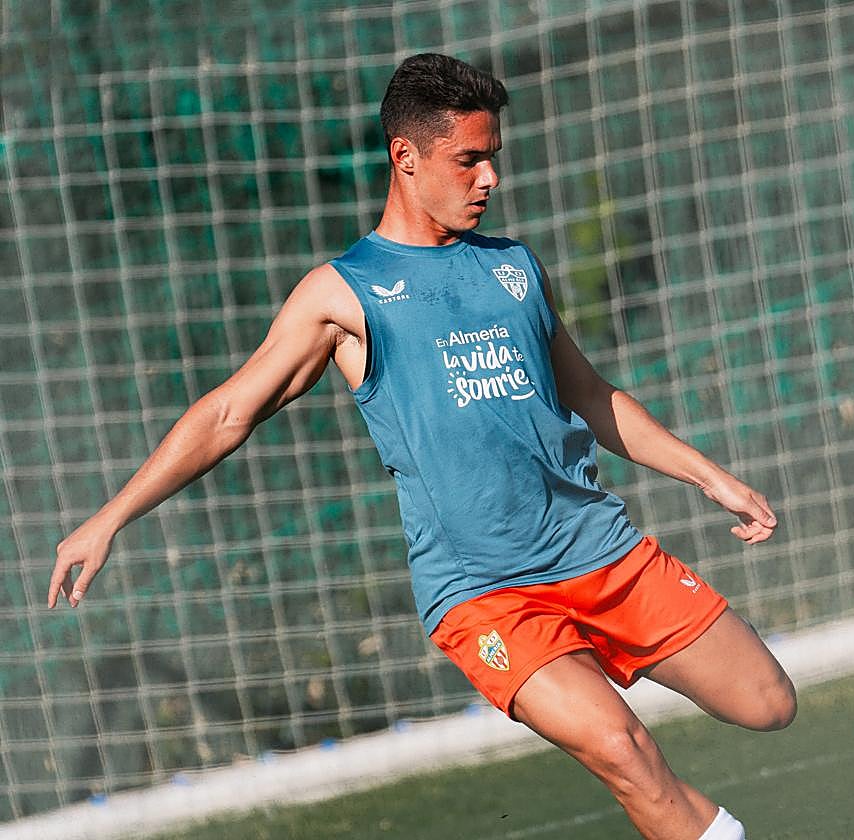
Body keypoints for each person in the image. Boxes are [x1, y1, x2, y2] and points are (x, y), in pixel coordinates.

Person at [48, 53, 796, 840]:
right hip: (485, 592)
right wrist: (111, 517)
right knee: (623, 749)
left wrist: (707, 475)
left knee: (768, 703)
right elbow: (230, 411)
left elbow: (589, 393)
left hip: (602, 552)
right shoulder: (345, 293)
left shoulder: (513, 268)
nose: (489, 180)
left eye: (492, 160)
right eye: (468, 160)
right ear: (406, 157)